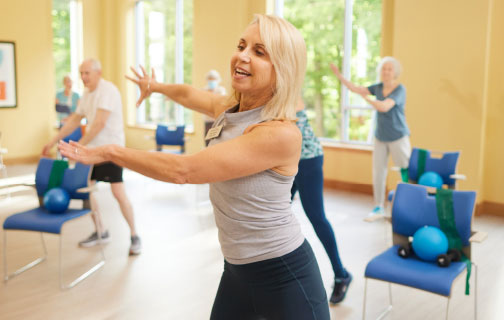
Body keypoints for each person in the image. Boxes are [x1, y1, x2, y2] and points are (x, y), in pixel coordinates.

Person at [60, 15, 330, 320]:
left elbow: (183, 170)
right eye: (242, 45)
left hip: (284, 275)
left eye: (259, 51)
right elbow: (190, 95)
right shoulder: (233, 109)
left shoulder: (279, 133)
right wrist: (158, 87)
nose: (242, 55)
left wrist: (111, 151)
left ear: (281, 68)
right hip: (238, 270)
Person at [43, 58, 141, 256]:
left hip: (111, 150)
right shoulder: (86, 94)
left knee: (118, 192)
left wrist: (79, 147)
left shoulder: (109, 91)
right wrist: (53, 141)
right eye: (81, 73)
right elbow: (74, 121)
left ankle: (134, 235)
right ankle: (100, 231)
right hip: (92, 152)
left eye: (87, 73)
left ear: (98, 72)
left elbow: (99, 124)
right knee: (86, 190)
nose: (83, 77)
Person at [331, 57, 411, 216]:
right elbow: (356, 88)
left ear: (395, 72)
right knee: (378, 172)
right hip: (380, 136)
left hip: (398, 136)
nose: (386, 72)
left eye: (389, 69)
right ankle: (379, 206)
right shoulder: (378, 87)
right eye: (383, 69)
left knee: (405, 169)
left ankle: (410, 201)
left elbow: (384, 107)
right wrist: (339, 76)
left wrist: (367, 98)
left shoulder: (399, 89)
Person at [293, 97, 352, 304]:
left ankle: (341, 274)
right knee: (274, 215)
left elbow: (289, 129)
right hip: (285, 161)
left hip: (307, 159)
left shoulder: (290, 93)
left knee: (317, 218)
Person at [203, 70, 227, 146]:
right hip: (207, 120)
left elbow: (221, 104)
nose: (211, 81)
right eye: (210, 79)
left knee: (217, 141)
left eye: (213, 79)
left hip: (219, 120)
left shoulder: (221, 90)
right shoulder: (204, 90)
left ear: (217, 80)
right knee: (208, 141)